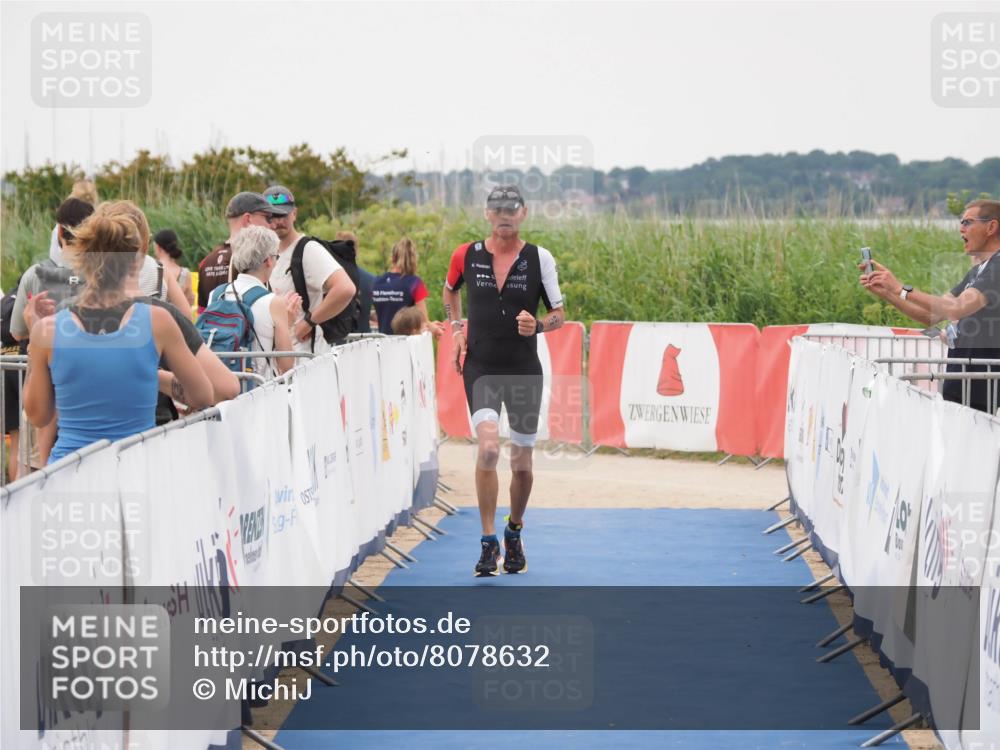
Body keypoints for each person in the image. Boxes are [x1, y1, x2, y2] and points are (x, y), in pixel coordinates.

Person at [442, 185, 565, 576]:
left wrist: (539, 326)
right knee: (490, 448)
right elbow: (449, 291)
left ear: (523, 213)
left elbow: (559, 314)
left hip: (524, 369)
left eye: (511, 209)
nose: (504, 216)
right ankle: (487, 540)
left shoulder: (539, 258)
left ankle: (514, 530)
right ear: (487, 214)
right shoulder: (466, 254)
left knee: (522, 462)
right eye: (497, 210)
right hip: (482, 367)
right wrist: (457, 328)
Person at [23, 210, 213, 464]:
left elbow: (38, 415)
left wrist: (36, 348)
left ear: (82, 261)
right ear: (135, 262)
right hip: (134, 468)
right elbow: (203, 395)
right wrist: (149, 376)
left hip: (71, 470)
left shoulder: (48, 330)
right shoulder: (157, 321)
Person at [861, 199, 1000, 413]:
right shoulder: (978, 270)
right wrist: (889, 293)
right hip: (961, 382)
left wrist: (900, 288)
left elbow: (956, 308)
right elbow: (931, 316)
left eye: (967, 222)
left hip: (983, 388)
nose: (961, 228)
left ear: (991, 227)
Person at [264, 185, 356, 355]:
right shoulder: (267, 253)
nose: (278, 222)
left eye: (283, 215)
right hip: (279, 357)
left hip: (306, 357)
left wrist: (308, 323)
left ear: (294, 214)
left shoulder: (307, 249)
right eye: (272, 216)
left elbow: (345, 288)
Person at [222, 225, 302, 376]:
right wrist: (288, 324)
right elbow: (286, 364)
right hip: (257, 389)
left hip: (223, 383)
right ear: (268, 261)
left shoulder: (217, 293)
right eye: (276, 257)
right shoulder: (273, 302)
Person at [197, 192, 278, 313]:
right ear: (248, 219)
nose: (272, 225)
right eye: (268, 218)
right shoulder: (255, 259)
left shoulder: (207, 262)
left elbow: (202, 312)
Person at [372, 237, 432, 335]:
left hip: (382, 343)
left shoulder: (377, 282)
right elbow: (424, 321)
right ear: (414, 259)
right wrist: (432, 326)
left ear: (392, 258)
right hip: (406, 344)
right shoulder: (414, 283)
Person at [336, 230, 375, 334]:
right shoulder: (371, 279)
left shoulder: (329, 279)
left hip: (336, 343)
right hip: (364, 342)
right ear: (356, 250)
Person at [153, 228, 196, 311]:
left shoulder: (152, 268)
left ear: (158, 247)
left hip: (155, 319)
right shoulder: (185, 273)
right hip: (177, 321)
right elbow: (190, 301)